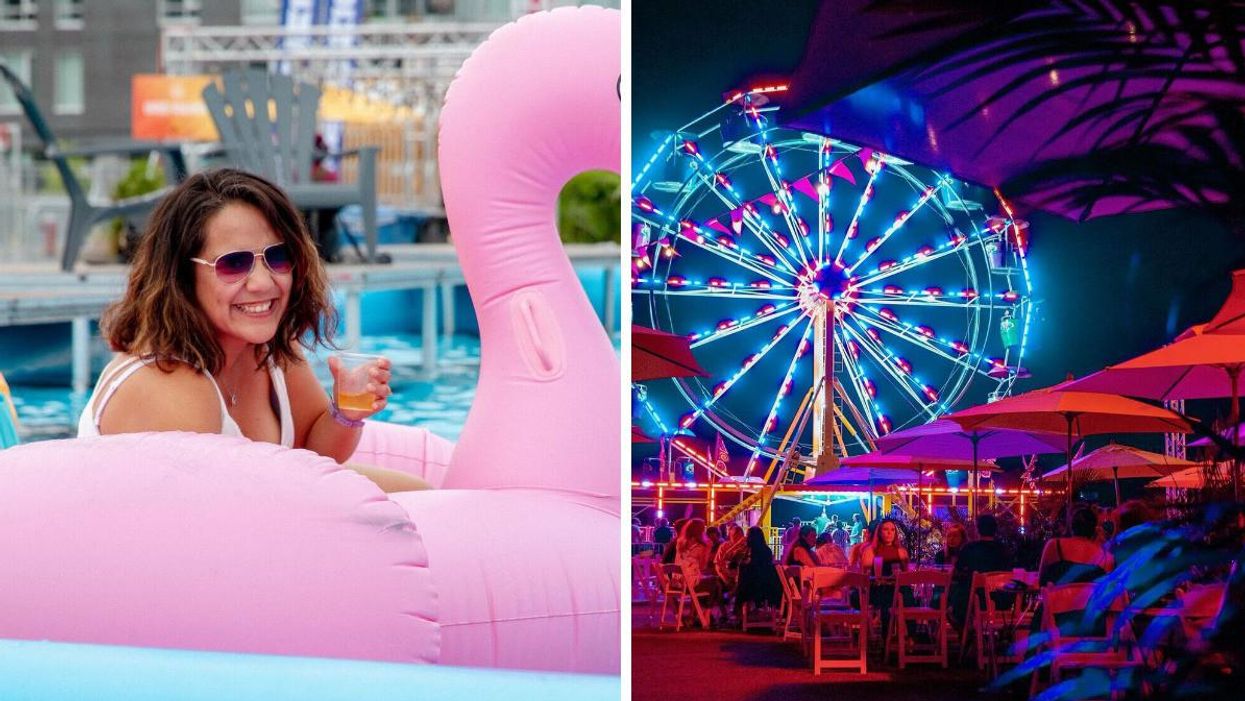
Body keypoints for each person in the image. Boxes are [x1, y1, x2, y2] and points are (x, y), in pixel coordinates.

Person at [77, 169, 425, 493]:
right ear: (182, 276)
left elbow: (317, 453)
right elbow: (221, 521)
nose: (262, 282)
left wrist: (345, 412)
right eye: (234, 264)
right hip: (191, 543)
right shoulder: (167, 384)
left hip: (252, 520)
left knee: (423, 495)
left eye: (278, 256)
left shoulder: (267, 351)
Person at [948, 514, 1014, 628]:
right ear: (995, 530)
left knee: (959, 596)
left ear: (977, 529)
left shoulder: (970, 549)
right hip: (1002, 600)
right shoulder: (1004, 550)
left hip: (977, 601)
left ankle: (966, 632)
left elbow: (957, 572)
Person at [1038, 506, 1113, 586]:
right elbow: (1107, 589)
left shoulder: (1054, 545)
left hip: (1060, 598)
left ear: (1071, 526)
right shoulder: (1106, 557)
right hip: (1090, 598)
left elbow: (1042, 581)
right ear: (1094, 530)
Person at [734, 526, 783, 617]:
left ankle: (739, 613)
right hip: (767, 587)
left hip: (750, 587)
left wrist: (737, 544)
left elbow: (730, 560)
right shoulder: (766, 550)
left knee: (740, 582)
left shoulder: (747, 552)